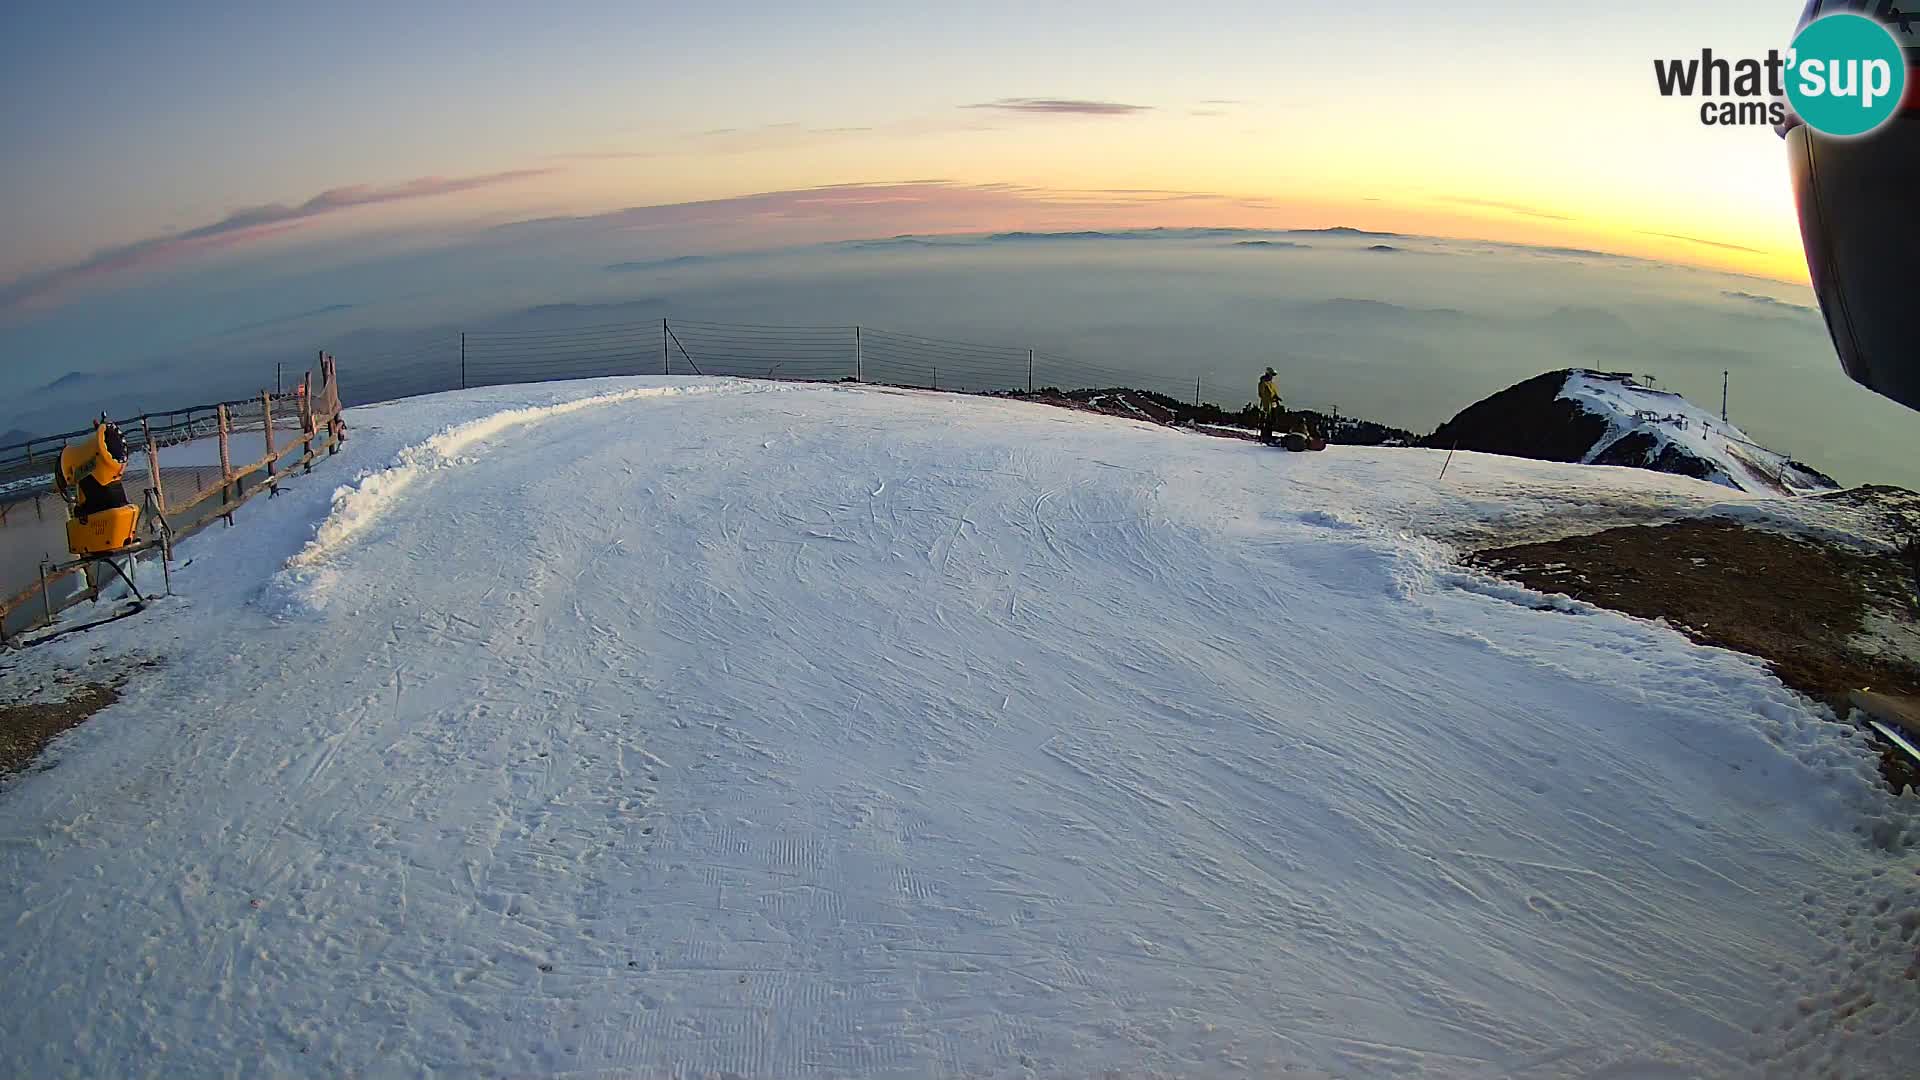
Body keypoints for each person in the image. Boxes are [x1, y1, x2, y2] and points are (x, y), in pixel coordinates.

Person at [1257, 367, 1282, 444]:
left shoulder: (1271, 383)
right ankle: (1265, 436)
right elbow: (1262, 394)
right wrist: (1270, 397)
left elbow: (1274, 392)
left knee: (1272, 421)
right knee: (1266, 420)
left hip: (1273, 404)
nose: (1272, 377)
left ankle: (1269, 435)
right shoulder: (1263, 383)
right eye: (1271, 375)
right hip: (1267, 404)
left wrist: (1276, 397)